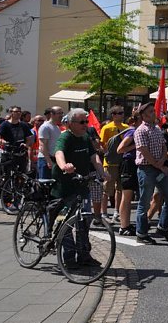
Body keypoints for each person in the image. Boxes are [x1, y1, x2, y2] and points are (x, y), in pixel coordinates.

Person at [50, 108, 109, 266]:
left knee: (84, 221)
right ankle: (69, 259)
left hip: (82, 184)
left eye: (86, 121)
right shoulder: (66, 136)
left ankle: (84, 255)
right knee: (66, 223)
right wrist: (64, 166)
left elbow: (93, 156)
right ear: (70, 124)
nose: (85, 124)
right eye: (82, 122)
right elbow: (59, 153)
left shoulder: (85, 137)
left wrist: (101, 171)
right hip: (64, 186)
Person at [133, 103, 168, 244]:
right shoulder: (140, 130)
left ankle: (163, 227)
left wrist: (162, 161)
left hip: (159, 167)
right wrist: (157, 163)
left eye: (153, 111)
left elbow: (164, 147)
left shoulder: (158, 129)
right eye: (151, 112)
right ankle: (141, 232)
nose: (154, 113)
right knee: (145, 202)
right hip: (146, 169)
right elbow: (143, 151)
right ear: (143, 115)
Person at [99, 106, 129, 223]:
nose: (122, 115)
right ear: (113, 115)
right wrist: (107, 154)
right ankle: (104, 212)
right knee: (107, 189)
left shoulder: (126, 127)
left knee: (120, 188)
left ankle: (117, 211)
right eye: (119, 113)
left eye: (122, 113)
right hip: (110, 163)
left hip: (122, 161)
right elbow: (102, 144)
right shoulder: (107, 128)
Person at [114, 112, 141, 236]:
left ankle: (126, 224)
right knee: (127, 196)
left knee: (129, 196)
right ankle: (124, 226)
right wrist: (136, 145)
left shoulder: (137, 130)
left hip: (134, 164)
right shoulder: (132, 131)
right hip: (128, 164)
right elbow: (120, 149)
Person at [0, 106, 34, 171]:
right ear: (11, 113)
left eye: (20, 112)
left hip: (21, 153)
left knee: (21, 174)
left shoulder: (23, 125)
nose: (19, 113)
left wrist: (26, 145)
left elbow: (29, 138)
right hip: (9, 152)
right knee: (7, 173)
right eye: (16, 112)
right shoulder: (5, 124)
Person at [38, 107, 64, 181]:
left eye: (62, 113)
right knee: (45, 184)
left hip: (54, 159)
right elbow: (43, 145)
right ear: (52, 114)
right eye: (59, 113)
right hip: (45, 160)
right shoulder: (45, 127)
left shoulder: (56, 127)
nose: (61, 116)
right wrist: (48, 161)